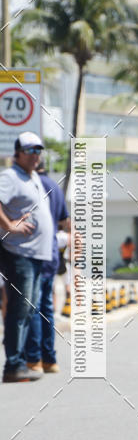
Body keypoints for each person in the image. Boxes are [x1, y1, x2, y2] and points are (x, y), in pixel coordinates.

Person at [0, 132, 54, 383]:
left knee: (27, 309)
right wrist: (10, 225)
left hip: (34, 254)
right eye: (31, 150)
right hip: (19, 253)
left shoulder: (30, 176)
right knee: (20, 310)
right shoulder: (11, 176)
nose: (36, 155)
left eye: (38, 150)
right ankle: (13, 364)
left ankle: (19, 361)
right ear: (18, 152)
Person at [24, 161, 70, 374]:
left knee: (32, 307)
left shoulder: (27, 184)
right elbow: (64, 221)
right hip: (50, 254)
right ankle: (50, 360)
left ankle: (34, 360)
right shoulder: (55, 187)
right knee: (46, 307)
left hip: (31, 253)